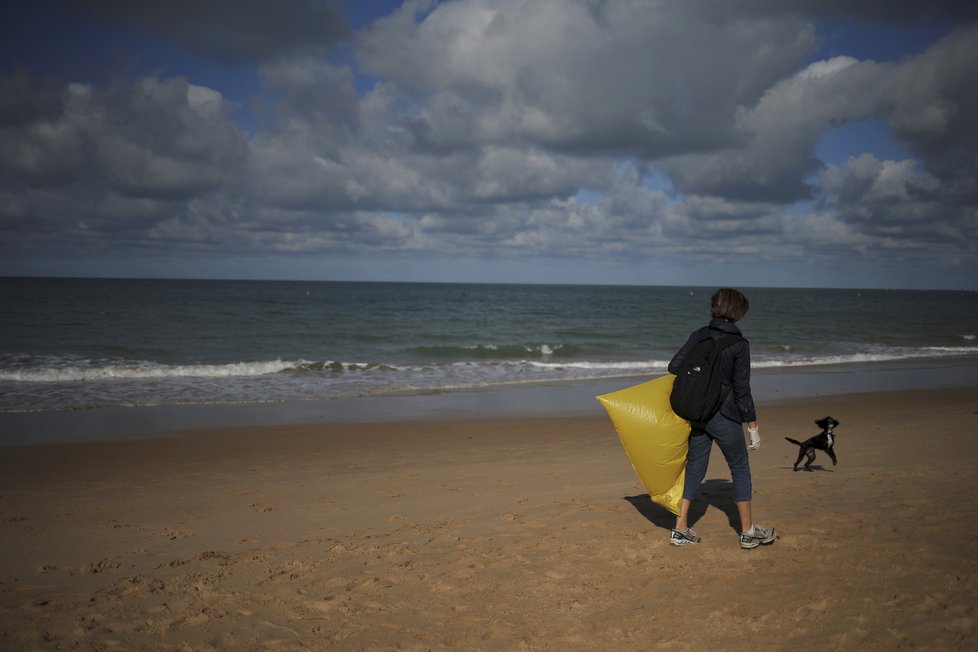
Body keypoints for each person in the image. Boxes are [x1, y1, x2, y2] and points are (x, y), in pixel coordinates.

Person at [666, 288, 776, 549]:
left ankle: (680, 529)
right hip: (724, 416)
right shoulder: (739, 344)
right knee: (739, 468)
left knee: (695, 468)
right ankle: (748, 532)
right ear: (737, 313)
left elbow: (674, 366)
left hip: (697, 414)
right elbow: (742, 389)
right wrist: (753, 427)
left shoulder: (699, 335)